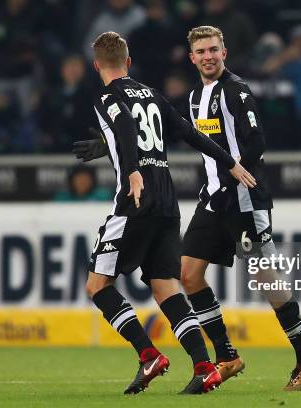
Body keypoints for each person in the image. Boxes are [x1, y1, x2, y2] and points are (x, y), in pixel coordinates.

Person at [75, 31, 256, 395]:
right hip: (167, 203)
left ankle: (148, 355)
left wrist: (131, 170)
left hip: (134, 201)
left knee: (97, 286)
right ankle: (205, 367)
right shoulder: (153, 95)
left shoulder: (107, 95)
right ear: (128, 62)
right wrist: (229, 162)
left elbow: (125, 123)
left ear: (97, 66)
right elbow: (189, 134)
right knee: (165, 286)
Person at [180, 25, 301, 391]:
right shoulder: (196, 95)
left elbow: (256, 141)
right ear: (192, 58)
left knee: (266, 281)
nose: (208, 56)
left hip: (243, 200)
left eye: (214, 49)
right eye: (201, 52)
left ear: (224, 52)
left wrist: (232, 179)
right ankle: (227, 356)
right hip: (213, 200)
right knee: (188, 274)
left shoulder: (236, 90)